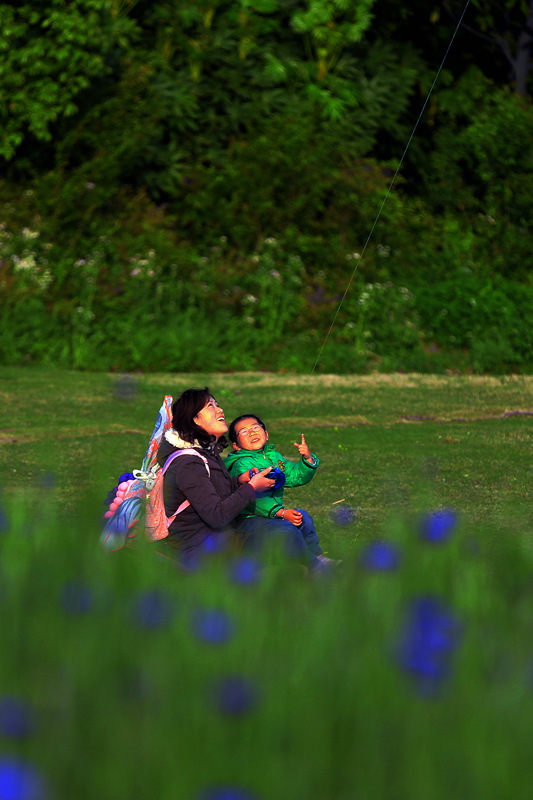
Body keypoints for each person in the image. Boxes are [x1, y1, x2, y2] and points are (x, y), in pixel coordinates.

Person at [156, 388, 275, 564]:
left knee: (290, 527)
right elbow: (216, 515)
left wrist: (239, 482)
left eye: (217, 405)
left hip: (219, 540)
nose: (220, 410)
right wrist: (252, 488)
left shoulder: (206, 452)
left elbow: (208, 494)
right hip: (201, 550)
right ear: (194, 419)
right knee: (283, 536)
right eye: (210, 406)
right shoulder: (188, 463)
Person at [225, 414, 340, 572]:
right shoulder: (242, 464)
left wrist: (307, 459)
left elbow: (294, 476)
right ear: (236, 446)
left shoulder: (274, 457)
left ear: (266, 434)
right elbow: (253, 499)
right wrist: (281, 513)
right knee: (288, 529)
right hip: (249, 519)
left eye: (255, 427)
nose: (251, 432)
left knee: (303, 518)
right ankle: (314, 565)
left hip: (273, 515)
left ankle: (318, 556)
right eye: (243, 432)